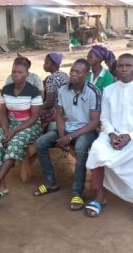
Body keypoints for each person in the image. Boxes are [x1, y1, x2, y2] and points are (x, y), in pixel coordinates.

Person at [85, 54, 133, 223]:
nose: (124, 69)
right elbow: (105, 118)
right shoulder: (109, 90)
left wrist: (129, 136)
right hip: (112, 134)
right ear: (116, 68)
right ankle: (99, 196)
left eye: (128, 65)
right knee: (97, 149)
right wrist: (111, 134)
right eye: (121, 66)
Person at [34, 59, 101, 211]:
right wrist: (63, 134)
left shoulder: (93, 91)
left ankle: (77, 192)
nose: (73, 74)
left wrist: (69, 138)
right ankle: (51, 183)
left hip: (87, 130)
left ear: (86, 74)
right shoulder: (63, 90)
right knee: (41, 143)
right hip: (66, 129)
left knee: (81, 147)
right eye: (72, 70)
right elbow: (59, 115)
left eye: (78, 71)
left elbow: (94, 122)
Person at [0, 58, 43, 202]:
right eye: (14, 72)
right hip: (10, 123)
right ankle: (2, 185)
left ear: (27, 74)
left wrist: (15, 131)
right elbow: (2, 112)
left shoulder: (33, 91)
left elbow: (34, 117)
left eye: (20, 72)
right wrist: (6, 129)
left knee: (15, 144)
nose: (16, 75)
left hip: (29, 125)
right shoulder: (6, 90)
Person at [39, 52, 69, 130]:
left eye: (46, 63)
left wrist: (37, 108)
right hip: (68, 109)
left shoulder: (50, 78)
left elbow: (49, 103)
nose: (44, 65)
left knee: (35, 114)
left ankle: (42, 129)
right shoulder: (65, 75)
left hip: (57, 110)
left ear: (54, 65)